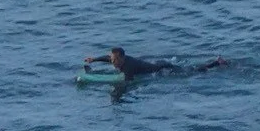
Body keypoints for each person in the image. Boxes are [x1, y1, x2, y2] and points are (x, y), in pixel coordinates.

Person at [84, 46, 231, 78]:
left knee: (191, 71)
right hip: (155, 63)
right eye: (112, 59)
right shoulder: (118, 60)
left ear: (122, 58)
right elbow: (106, 58)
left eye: (115, 60)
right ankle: (215, 62)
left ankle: (216, 63)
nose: (112, 62)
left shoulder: (128, 67)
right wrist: (94, 60)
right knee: (190, 68)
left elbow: (124, 85)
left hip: (161, 69)